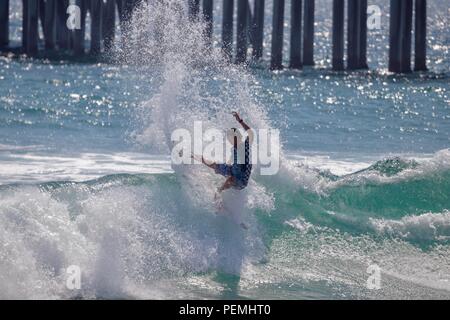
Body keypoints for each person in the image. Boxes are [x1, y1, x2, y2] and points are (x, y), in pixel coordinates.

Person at [192, 112, 253, 193]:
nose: (231, 141)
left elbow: (250, 133)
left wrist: (240, 121)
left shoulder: (245, 145)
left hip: (241, 181)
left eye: (232, 138)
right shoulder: (234, 148)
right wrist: (224, 167)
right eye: (229, 139)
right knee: (215, 164)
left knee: (230, 179)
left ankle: (219, 192)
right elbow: (233, 161)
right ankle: (192, 155)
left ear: (239, 136)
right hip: (233, 171)